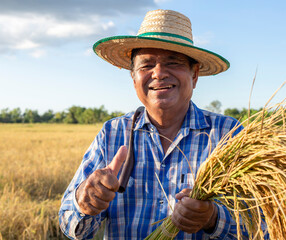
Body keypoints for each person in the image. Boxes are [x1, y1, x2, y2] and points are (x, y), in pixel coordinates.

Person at [59, 9, 263, 239]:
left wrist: (213, 218)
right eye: (146, 65)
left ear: (194, 75)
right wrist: (84, 204)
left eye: (172, 63)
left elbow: (264, 225)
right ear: (133, 77)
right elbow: (71, 227)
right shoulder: (112, 134)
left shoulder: (228, 136)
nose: (158, 73)